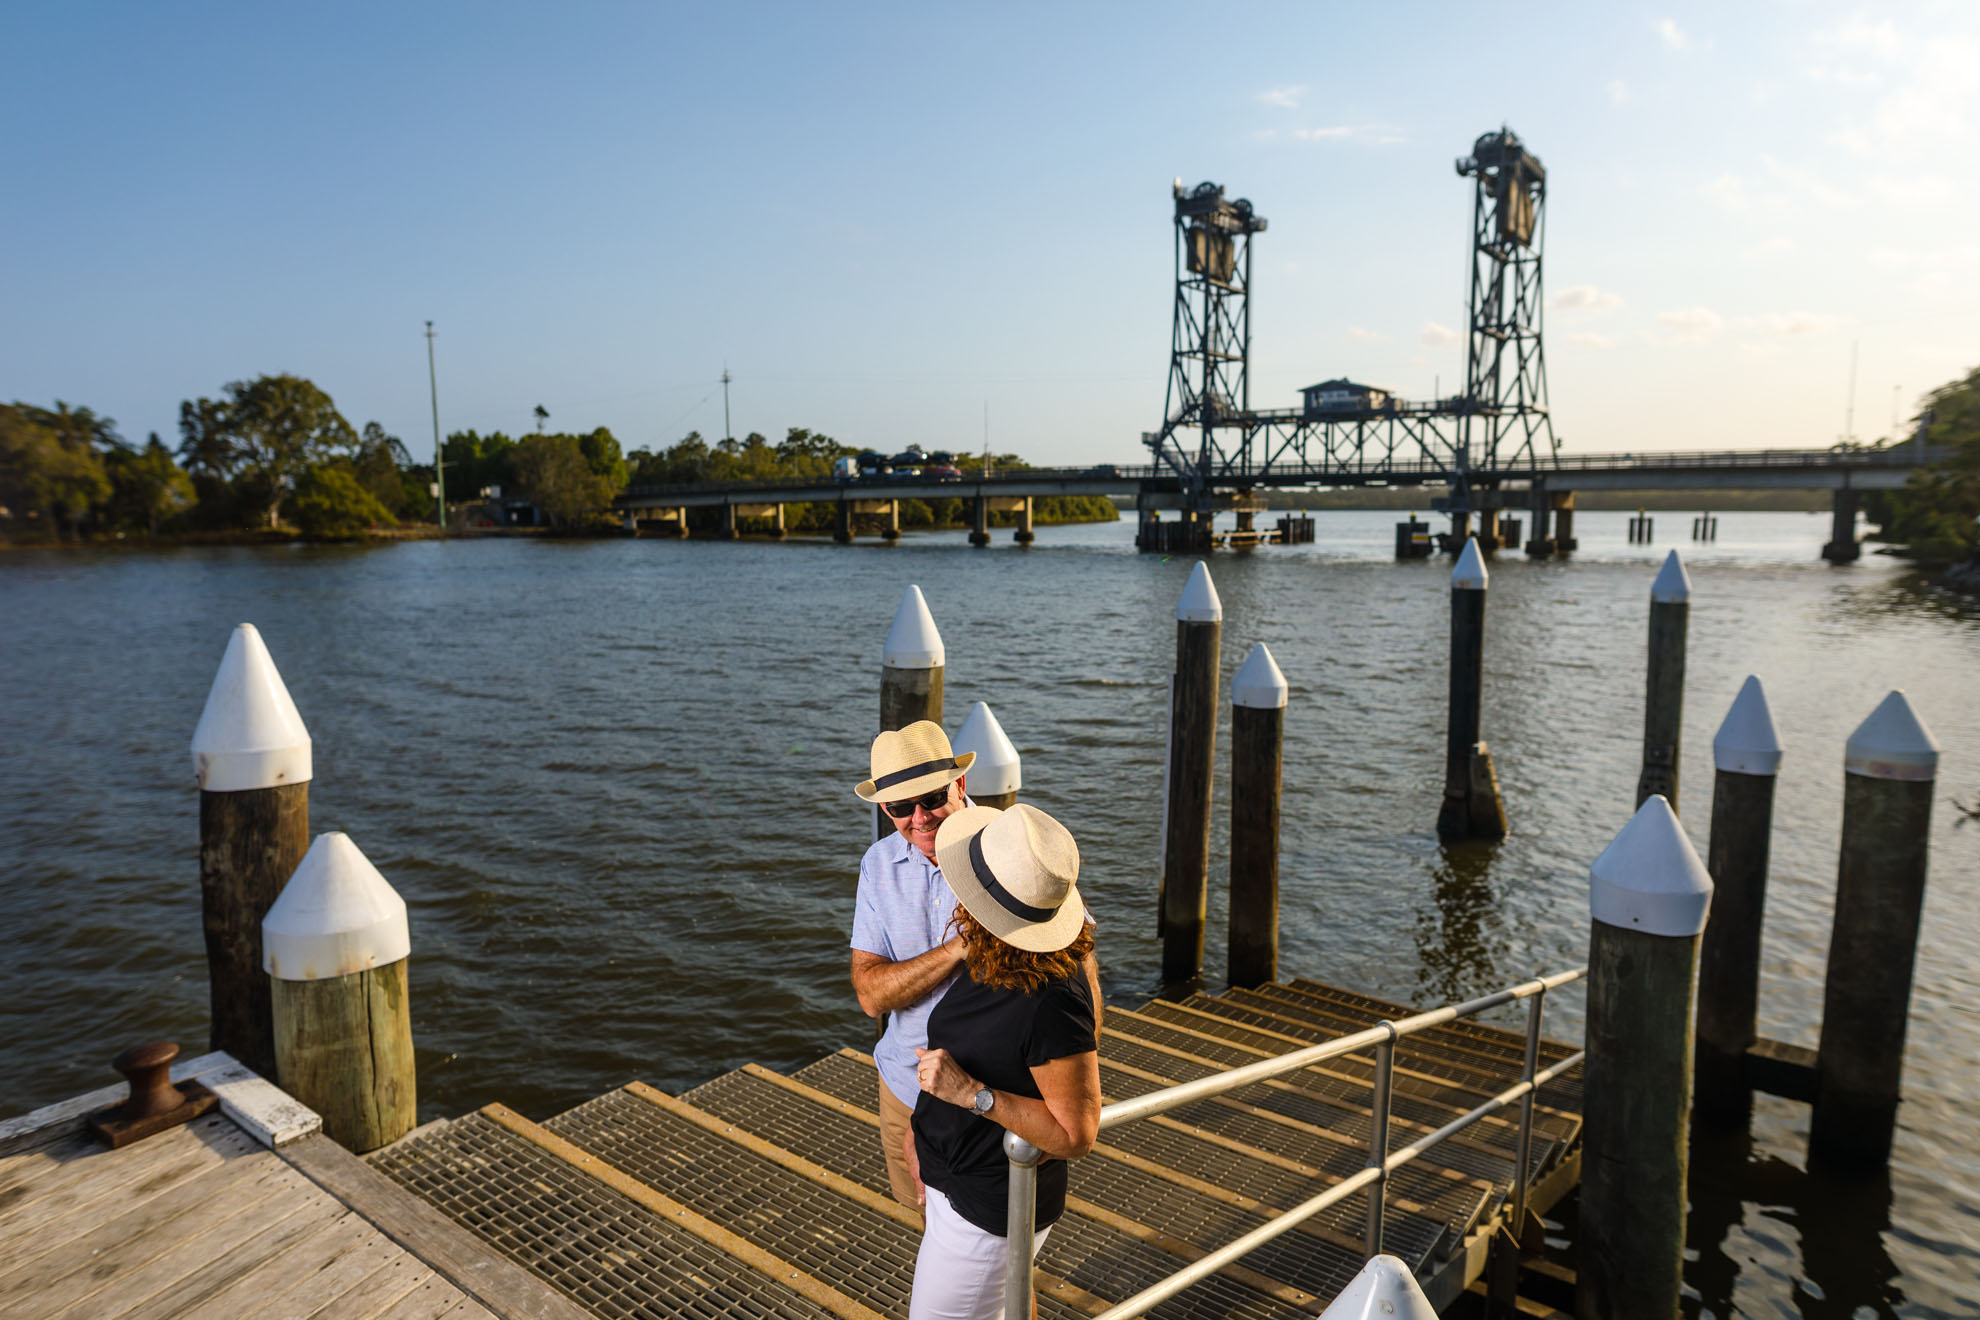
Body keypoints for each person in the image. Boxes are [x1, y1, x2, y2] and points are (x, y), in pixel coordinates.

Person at [908, 803, 1101, 1320]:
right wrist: (921, 1131)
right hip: (958, 1181)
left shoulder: (1049, 997)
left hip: (990, 1208)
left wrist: (970, 1094)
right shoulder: (994, 950)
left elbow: (1076, 1134)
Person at [849, 721, 977, 1212]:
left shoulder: (1010, 847)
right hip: (903, 1090)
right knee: (931, 1249)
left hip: (992, 1095)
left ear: (958, 785)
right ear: (885, 808)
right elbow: (870, 995)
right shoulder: (878, 863)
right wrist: (958, 949)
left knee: (1002, 1267)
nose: (919, 818)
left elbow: (1077, 954)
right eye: (901, 807)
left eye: (931, 798)